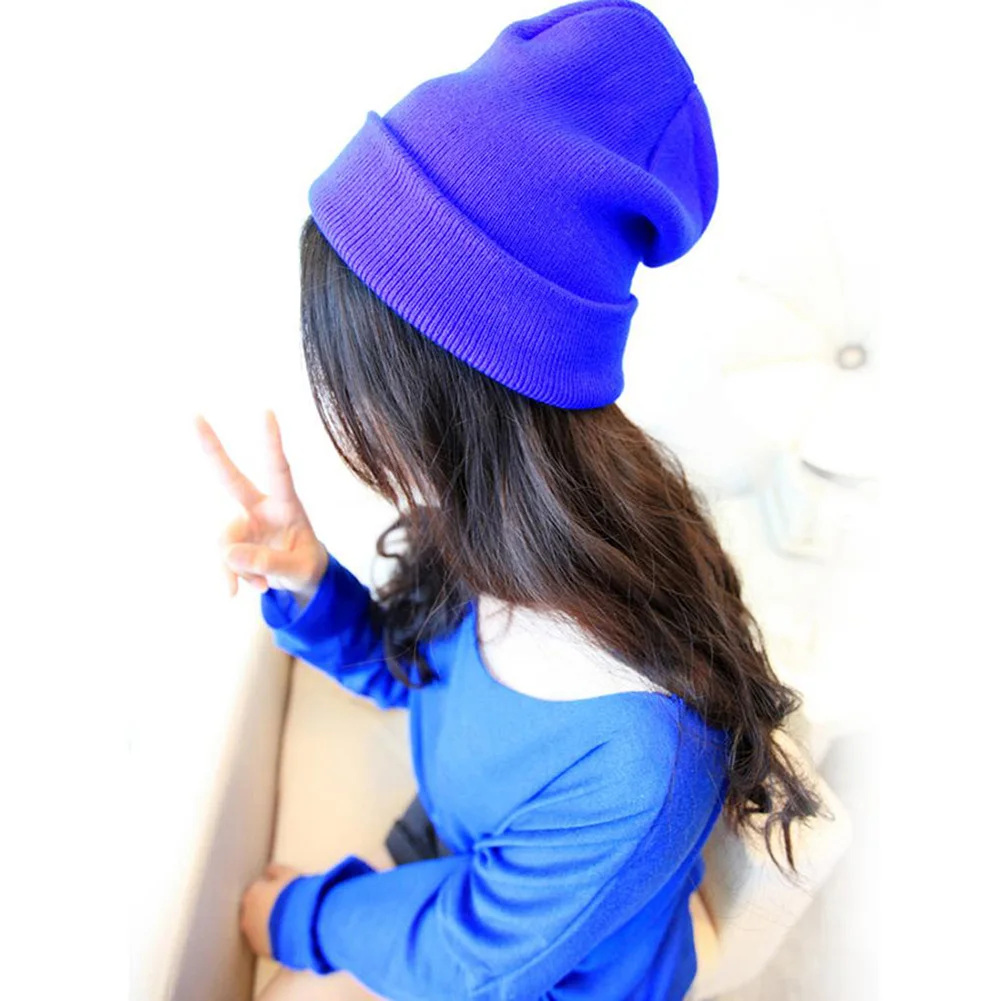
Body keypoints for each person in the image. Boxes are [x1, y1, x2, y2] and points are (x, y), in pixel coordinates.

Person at [194, 2, 824, 998]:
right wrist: (311, 582)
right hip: (463, 843)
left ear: (466, 399)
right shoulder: (504, 532)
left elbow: (474, 955)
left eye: (362, 380)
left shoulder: (634, 759)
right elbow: (427, 685)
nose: (342, 411)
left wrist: (301, 918)